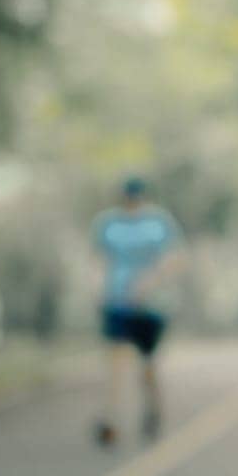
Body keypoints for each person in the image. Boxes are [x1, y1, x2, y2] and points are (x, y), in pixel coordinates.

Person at [90, 175, 185, 447]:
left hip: (151, 306)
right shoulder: (108, 224)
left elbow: (176, 257)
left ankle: (152, 410)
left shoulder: (159, 223)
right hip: (117, 302)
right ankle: (112, 419)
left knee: (147, 364)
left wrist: (150, 281)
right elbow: (98, 258)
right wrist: (98, 288)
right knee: (116, 360)